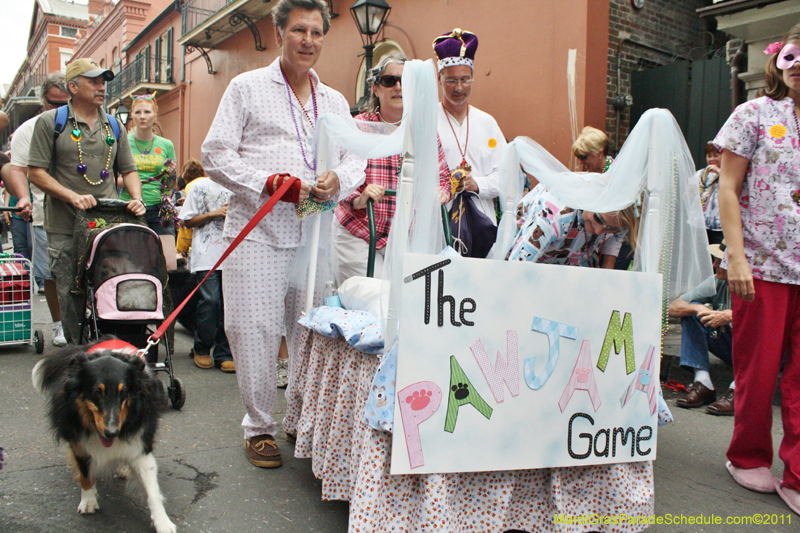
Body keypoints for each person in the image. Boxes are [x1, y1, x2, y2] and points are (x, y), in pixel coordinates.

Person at [202, 0, 365, 469]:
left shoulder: (333, 101)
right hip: (257, 232)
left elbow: (355, 159)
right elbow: (214, 153)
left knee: (307, 332)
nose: (308, 40)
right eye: (299, 30)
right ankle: (258, 427)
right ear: (279, 34)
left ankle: (298, 418)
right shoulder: (246, 88)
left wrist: (340, 179)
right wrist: (267, 183)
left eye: (316, 32)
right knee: (253, 330)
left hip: (313, 236)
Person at [715, 27, 800, 513]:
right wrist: (737, 257)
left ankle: (798, 470)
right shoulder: (753, 114)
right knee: (759, 369)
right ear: (778, 62)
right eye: (791, 55)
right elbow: (728, 188)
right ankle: (746, 454)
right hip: (763, 264)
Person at [26, 58, 145, 344]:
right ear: (73, 86)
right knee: (70, 293)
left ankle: (110, 349)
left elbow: (128, 170)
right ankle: (78, 358)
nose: (101, 87)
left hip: (106, 224)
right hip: (65, 225)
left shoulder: (115, 125)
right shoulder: (50, 122)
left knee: (111, 287)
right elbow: (35, 172)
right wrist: (72, 196)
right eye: (93, 81)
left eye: (103, 82)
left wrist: (137, 198)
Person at [334, 52, 451, 283]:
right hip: (360, 231)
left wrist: (440, 193)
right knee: (373, 300)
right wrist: (360, 197)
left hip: (403, 237)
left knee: (405, 303)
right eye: (389, 81)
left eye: (404, 80)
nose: (398, 87)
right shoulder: (359, 127)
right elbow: (341, 176)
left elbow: (443, 178)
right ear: (376, 88)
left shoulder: (424, 131)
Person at [5, 73, 70, 346]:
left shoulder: (84, 125)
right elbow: (16, 169)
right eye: (54, 104)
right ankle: (59, 326)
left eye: (65, 103)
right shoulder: (27, 131)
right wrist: (23, 198)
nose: (60, 110)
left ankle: (83, 319)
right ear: (43, 101)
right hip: (44, 213)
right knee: (52, 273)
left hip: (83, 212)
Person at [435, 29, 506, 257]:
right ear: (439, 79)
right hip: (439, 228)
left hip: (482, 233)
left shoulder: (488, 123)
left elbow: (506, 177)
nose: (459, 88)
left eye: (465, 80)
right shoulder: (427, 120)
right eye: (452, 80)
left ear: (472, 78)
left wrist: (477, 185)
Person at [178, 169, 234, 373]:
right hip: (207, 256)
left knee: (230, 305)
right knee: (211, 301)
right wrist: (213, 213)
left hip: (234, 257)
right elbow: (185, 220)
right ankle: (201, 348)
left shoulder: (237, 184)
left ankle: (225, 353)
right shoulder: (200, 186)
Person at [668, 242, 734, 415]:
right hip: (731, 344)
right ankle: (703, 381)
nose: (714, 265)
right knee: (692, 310)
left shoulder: (758, 284)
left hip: (763, 352)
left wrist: (730, 315)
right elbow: (673, 307)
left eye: (720, 261)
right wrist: (698, 309)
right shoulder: (717, 281)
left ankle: (739, 387)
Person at [119, 94, 179, 271]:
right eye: (138, 112)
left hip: (158, 208)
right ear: (132, 115)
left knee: (169, 264)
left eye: (147, 112)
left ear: (155, 115)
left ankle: (165, 298)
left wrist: (170, 175)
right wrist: (133, 181)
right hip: (129, 207)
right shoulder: (123, 142)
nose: (142, 116)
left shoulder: (166, 144)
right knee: (132, 263)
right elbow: (112, 177)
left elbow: (170, 185)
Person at [506, 184, 627, 267]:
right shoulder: (552, 216)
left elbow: (616, 238)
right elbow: (516, 268)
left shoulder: (620, 217)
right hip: (533, 259)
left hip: (573, 260)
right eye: (598, 218)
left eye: (611, 229)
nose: (600, 231)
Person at [696, 141, 723, 246]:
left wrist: (720, 171)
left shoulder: (727, 174)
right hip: (701, 224)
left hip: (719, 225)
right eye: (709, 156)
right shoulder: (700, 174)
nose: (712, 159)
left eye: (716, 156)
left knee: (718, 254)